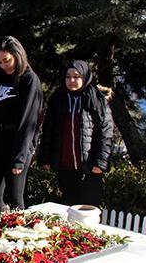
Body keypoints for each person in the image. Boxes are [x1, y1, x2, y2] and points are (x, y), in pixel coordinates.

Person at [38, 60, 113, 207]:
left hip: (90, 167)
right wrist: (45, 158)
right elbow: (49, 130)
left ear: (85, 77)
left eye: (76, 76)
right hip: (65, 166)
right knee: (69, 208)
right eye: (68, 76)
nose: (72, 80)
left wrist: (101, 162)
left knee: (89, 209)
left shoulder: (96, 99)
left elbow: (106, 131)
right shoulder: (58, 99)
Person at [0, 36, 43, 212]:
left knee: (15, 198)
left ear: (17, 55)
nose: (4, 65)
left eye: (7, 60)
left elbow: (29, 122)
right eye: (0, 62)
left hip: (18, 145)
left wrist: (19, 158)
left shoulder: (29, 80)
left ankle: (18, 235)